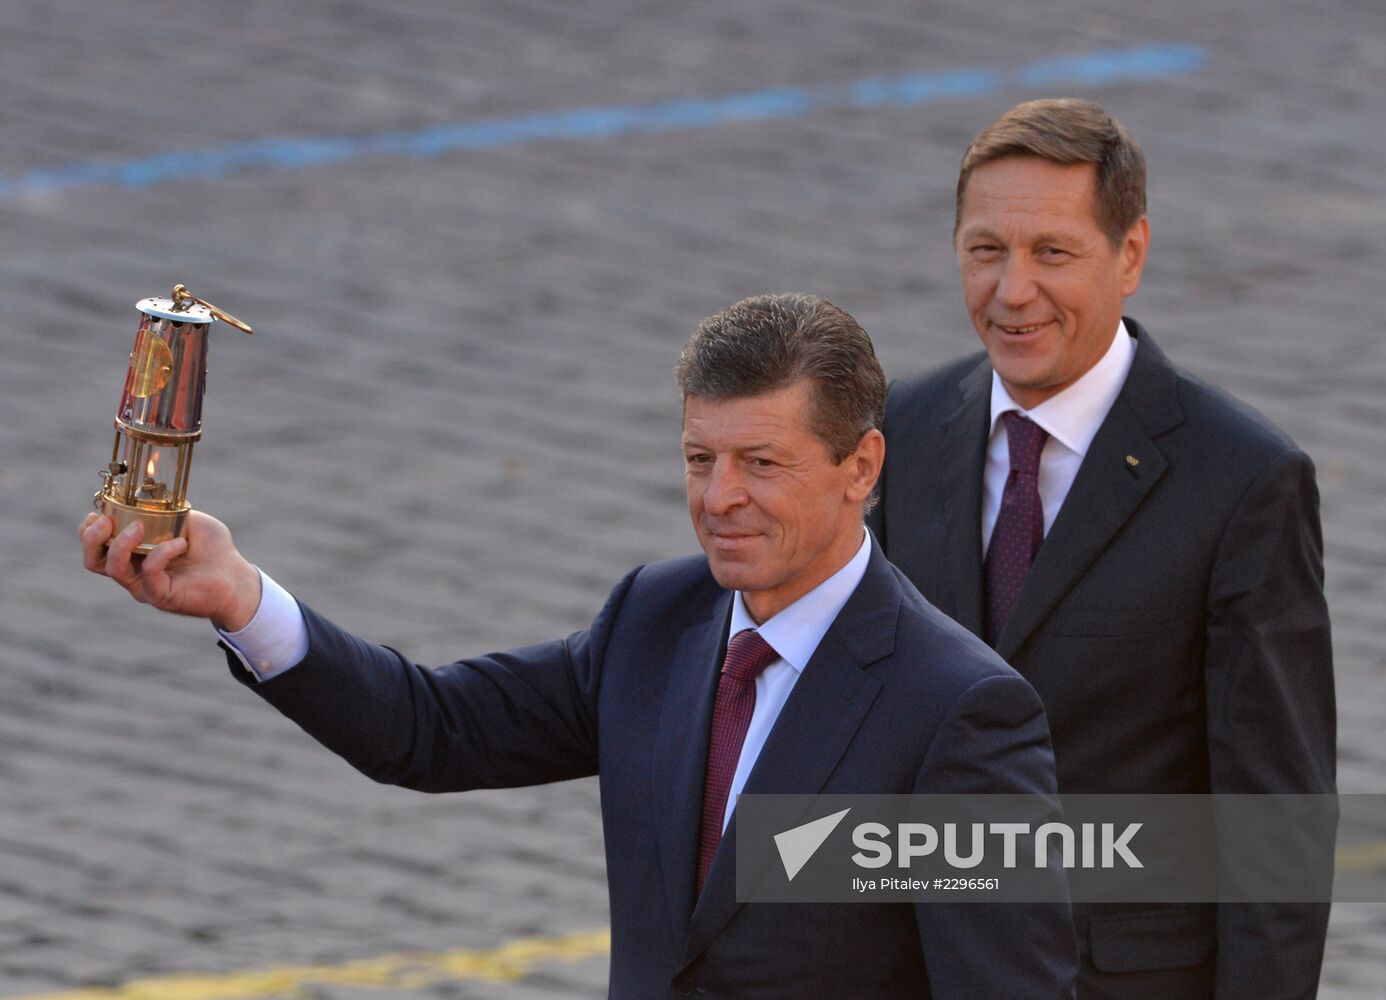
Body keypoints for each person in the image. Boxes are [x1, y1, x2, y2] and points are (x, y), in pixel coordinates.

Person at [82, 293, 1078, 1000]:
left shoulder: (959, 711)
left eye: (761, 463)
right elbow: (433, 731)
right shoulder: (658, 620)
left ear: (862, 464)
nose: (720, 496)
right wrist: (240, 598)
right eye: (701, 458)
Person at [867, 99, 1336, 998]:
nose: (1012, 291)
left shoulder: (1244, 481)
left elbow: (1278, 825)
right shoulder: (904, 431)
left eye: (1053, 252)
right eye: (985, 250)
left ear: (1130, 255)